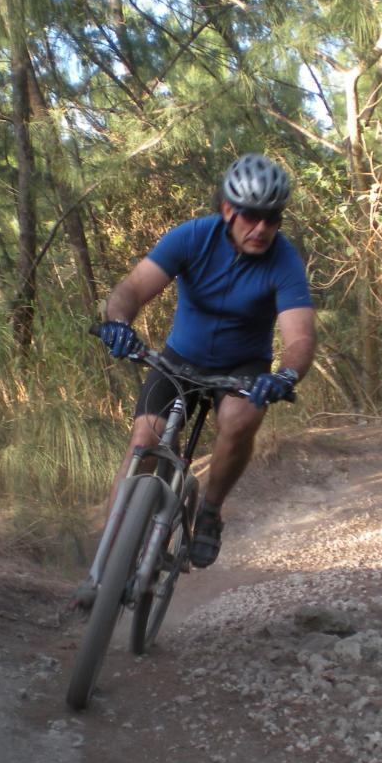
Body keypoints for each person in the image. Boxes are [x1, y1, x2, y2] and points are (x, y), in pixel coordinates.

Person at [75, 154, 316, 606]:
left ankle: (210, 511)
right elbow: (131, 288)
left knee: (241, 417)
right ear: (228, 209)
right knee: (143, 442)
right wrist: (119, 323)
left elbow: (300, 336)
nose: (261, 228)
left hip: (242, 369)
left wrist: (284, 374)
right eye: (251, 216)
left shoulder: (283, 260)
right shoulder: (192, 237)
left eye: (272, 218)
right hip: (180, 358)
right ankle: (103, 570)